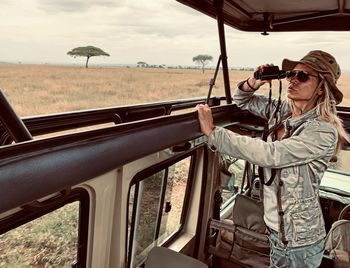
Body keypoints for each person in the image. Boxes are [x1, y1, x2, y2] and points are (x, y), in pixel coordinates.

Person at [196, 50, 349, 268]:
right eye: (291, 74)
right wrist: (255, 80)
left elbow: (271, 154)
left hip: (300, 243)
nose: (293, 80)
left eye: (303, 76)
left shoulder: (322, 131)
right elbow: (242, 99)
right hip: (277, 233)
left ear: (321, 89)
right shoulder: (283, 112)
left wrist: (214, 132)